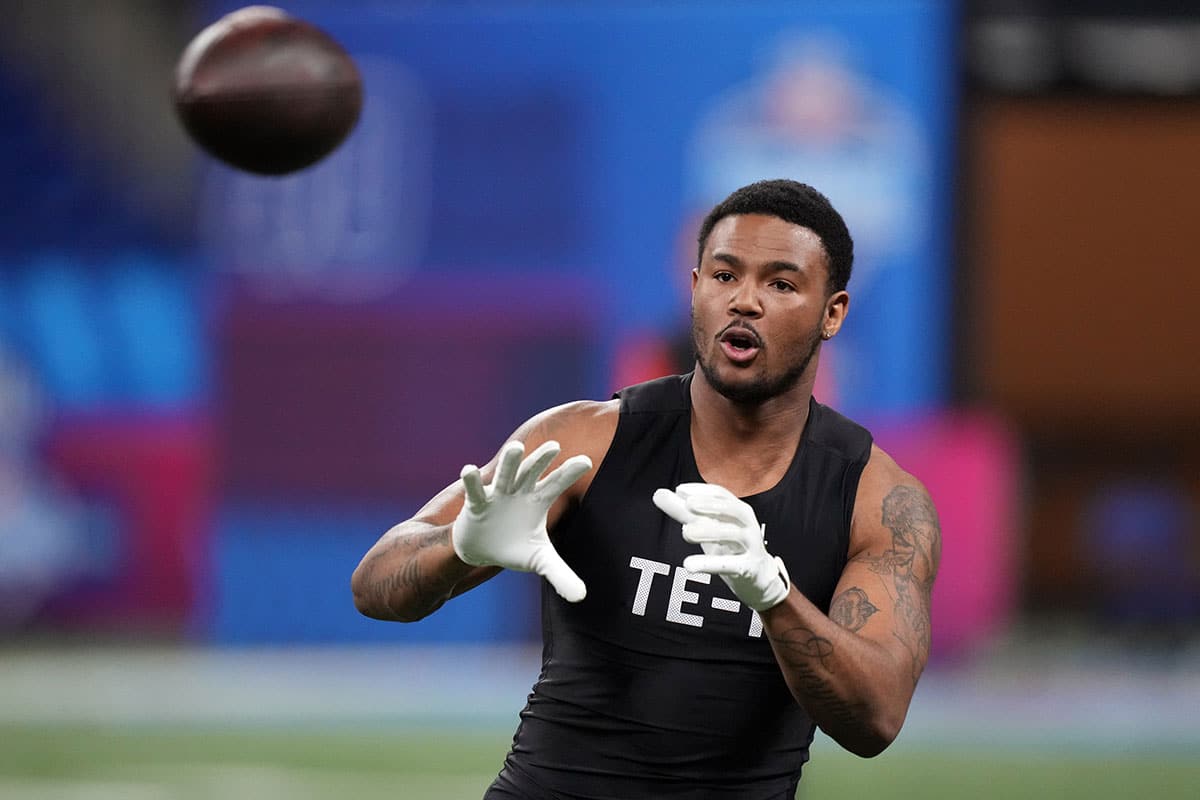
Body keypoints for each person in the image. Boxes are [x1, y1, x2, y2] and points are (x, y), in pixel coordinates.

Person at [351, 179, 942, 799]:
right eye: (723, 276)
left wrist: (774, 596)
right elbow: (374, 586)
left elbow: (876, 718)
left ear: (833, 313)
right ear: (694, 289)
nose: (744, 301)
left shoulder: (877, 497)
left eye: (781, 284)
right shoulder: (584, 439)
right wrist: (458, 550)